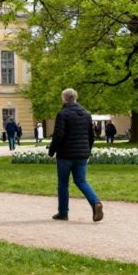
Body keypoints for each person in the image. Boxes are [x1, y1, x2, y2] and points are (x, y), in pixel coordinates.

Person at [48, 88, 104, 222]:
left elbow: (58, 135)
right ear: (75, 98)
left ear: (64, 99)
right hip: (82, 154)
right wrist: (87, 150)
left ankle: (63, 213)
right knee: (81, 181)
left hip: (65, 154)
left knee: (63, 184)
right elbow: (91, 136)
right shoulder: (86, 114)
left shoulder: (63, 114)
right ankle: (96, 202)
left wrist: (52, 150)